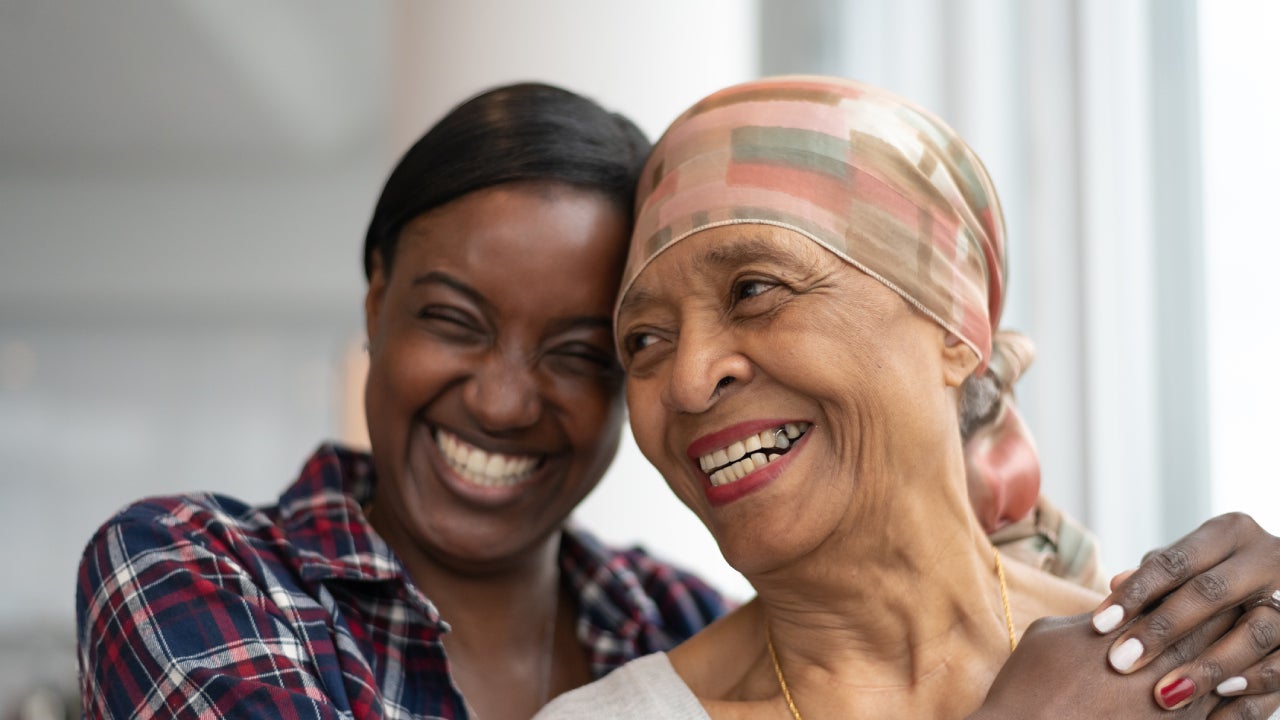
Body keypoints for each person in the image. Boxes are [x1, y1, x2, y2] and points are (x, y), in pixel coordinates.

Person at [535, 75, 1280, 720]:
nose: (691, 378)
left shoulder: (1198, 668)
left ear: (956, 331)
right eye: (644, 342)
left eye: (754, 289)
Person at [75, 82, 728, 720]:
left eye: (581, 354)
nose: (502, 405)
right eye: (454, 320)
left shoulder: (688, 621)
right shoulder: (186, 570)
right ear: (376, 303)